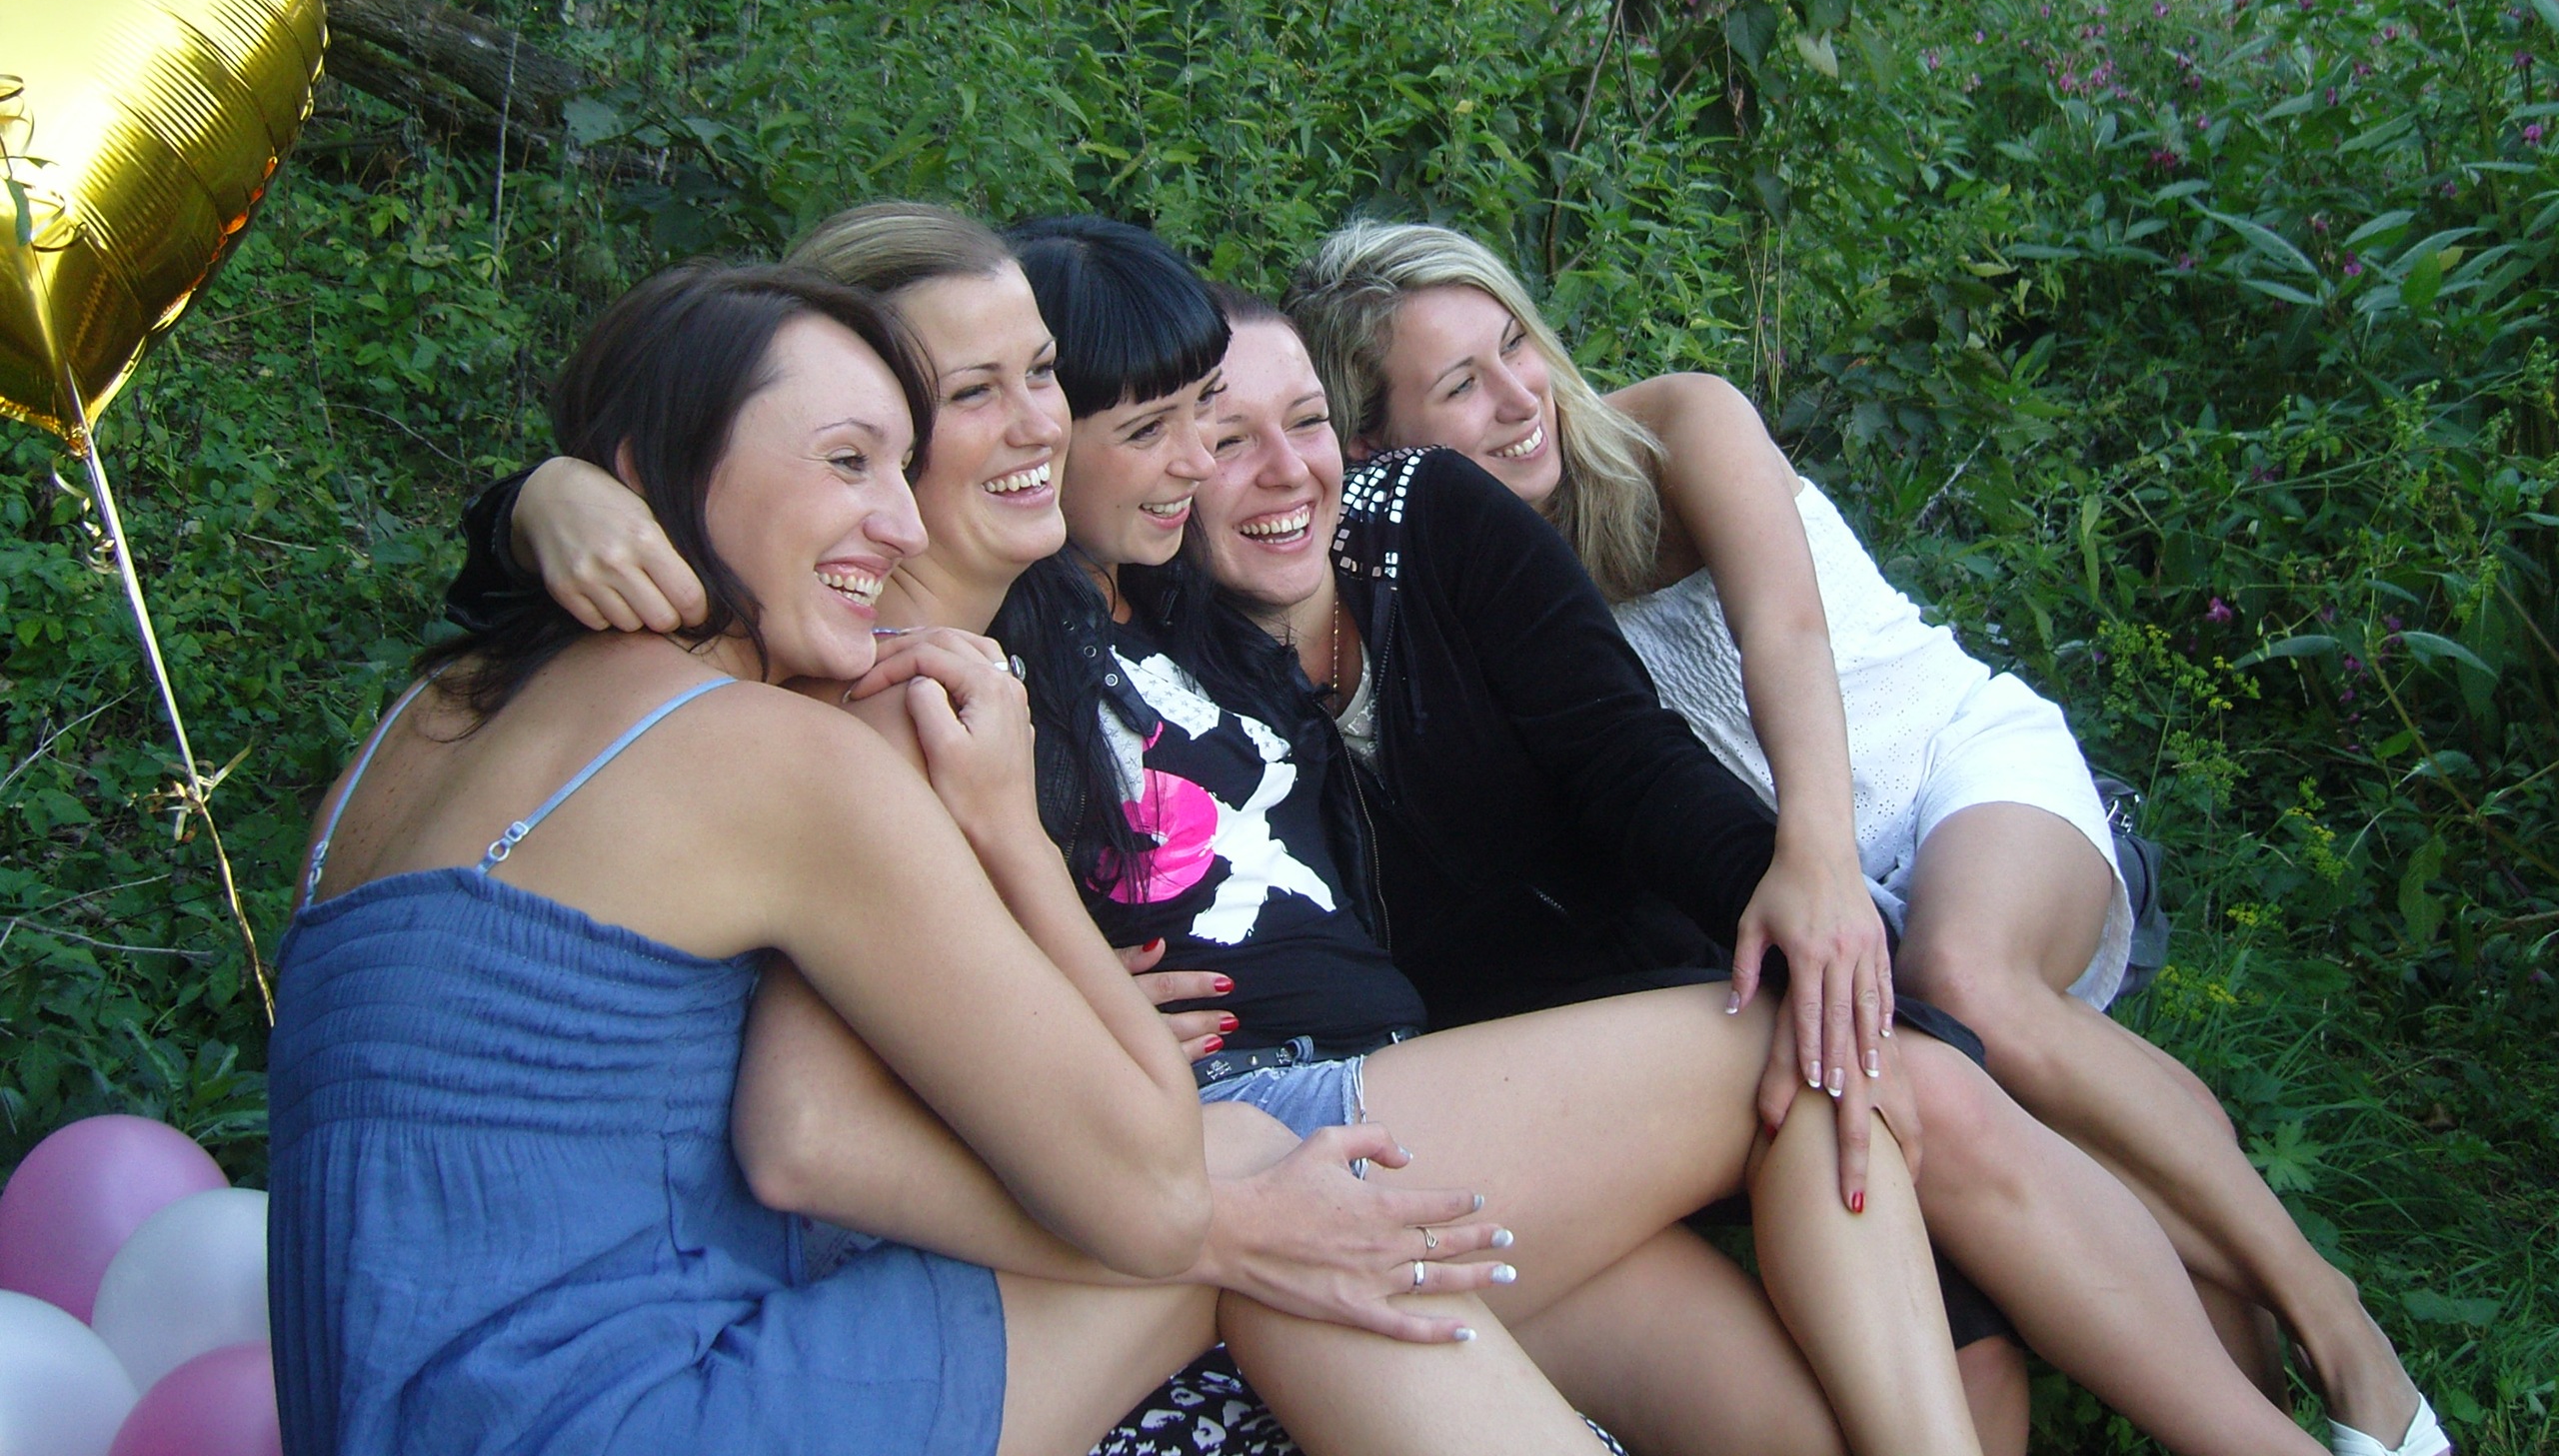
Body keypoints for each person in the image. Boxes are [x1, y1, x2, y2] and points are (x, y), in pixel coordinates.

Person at [477, 212, 1993, 1456]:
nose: (1057, 427)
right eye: (984, 404)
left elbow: (1587, 747)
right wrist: (547, 502)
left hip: (1323, 1105)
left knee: (1790, 1396)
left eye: (1052, 381)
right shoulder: (893, 678)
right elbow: (813, 1119)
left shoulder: (1122, 611)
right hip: (1239, 1133)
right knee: (1797, 1038)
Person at [1281, 220, 2447, 1456]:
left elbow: (1785, 633)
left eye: (1516, 345)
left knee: (1965, 980)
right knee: (1991, 1099)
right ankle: (2250, 1404)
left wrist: (1820, 861)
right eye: (1461, 385)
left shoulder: (1676, 426)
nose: (1520, 397)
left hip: (1939, 779)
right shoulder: (1449, 572)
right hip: (1805, 872)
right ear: (1373, 450)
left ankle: (2340, 1328)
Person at [271, 264, 1229, 1456]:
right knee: (1254, 1212)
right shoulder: (773, 758)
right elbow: (1157, 1199)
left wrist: (537, 499)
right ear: (647, 476)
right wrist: (1010, 829)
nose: (905, 525)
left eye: (902, 468)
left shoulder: (413, 727)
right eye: (847, 462)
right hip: (638, 1419)